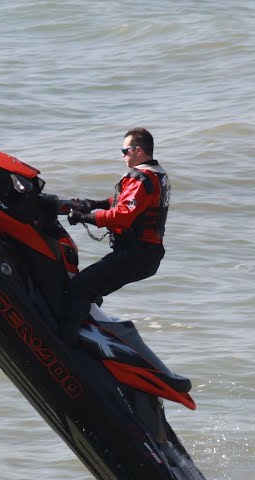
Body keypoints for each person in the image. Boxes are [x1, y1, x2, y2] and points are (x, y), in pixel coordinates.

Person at [60, 127, 171, 342]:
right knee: (92, 289)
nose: (122, 155)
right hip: (147, 255)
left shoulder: (141, 178)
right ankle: (92, 334)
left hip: (136, 255)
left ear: (138, 150)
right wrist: (92, 204)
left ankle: (68, 343)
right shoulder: (157, 174)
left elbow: (122, 216)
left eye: (124, 150)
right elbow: (129, 204)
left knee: (77, 289)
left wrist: (84, 218)